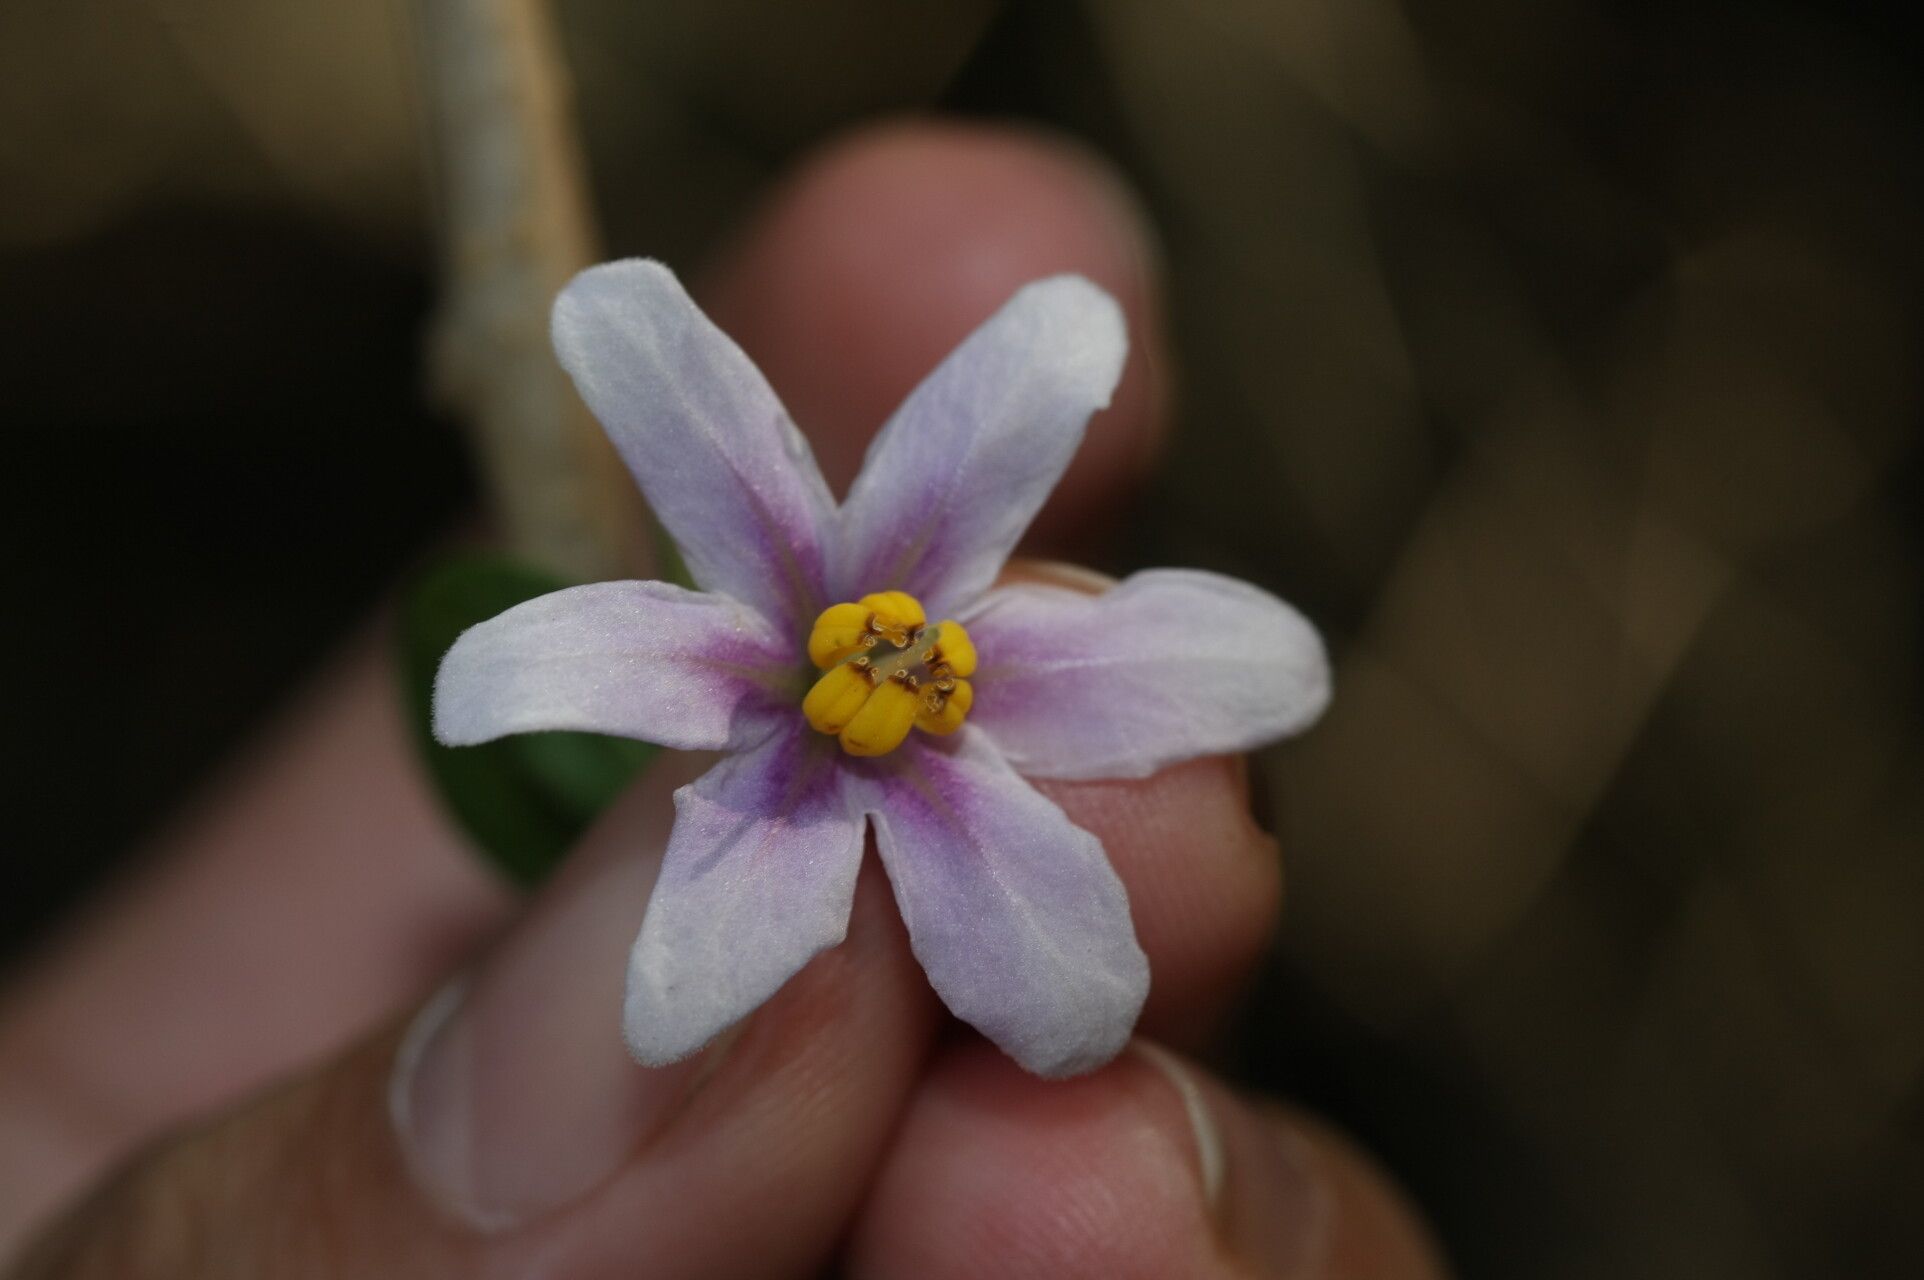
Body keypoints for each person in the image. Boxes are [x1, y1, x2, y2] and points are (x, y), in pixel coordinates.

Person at [0, 123, 1444, 1278]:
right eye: (873, 662)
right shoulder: (768, 632)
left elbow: (1071, 992)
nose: (885, 673)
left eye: (892, 667)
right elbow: (559, 555)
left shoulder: (931, 696)